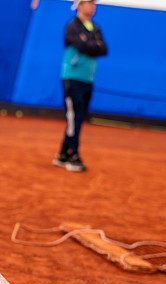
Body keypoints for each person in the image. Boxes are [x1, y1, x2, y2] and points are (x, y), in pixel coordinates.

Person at [53, 0, 107, 172]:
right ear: (80, 5)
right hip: (72, 78)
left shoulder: (95, 28)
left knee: (79, 117)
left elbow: (103, 49)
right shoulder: (72, 26)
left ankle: (62, 154)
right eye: (89, 3)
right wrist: (92, 45)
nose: (93, 6)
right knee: (73, 117)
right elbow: (84, 46)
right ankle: (73, 154)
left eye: (94, 3)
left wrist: (90, 45)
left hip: (87, 80)